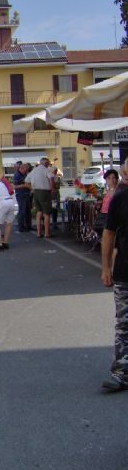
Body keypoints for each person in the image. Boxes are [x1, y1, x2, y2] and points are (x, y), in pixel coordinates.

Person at [100, 159, 128, 392]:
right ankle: (121, 372)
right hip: (125, 271)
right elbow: (108, 234)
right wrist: (106, 267)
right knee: (124, 325)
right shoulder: (119, 199)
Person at [25, 157, 55, 239]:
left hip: (36, 192)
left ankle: (38, 233)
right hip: (44, 192)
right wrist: (52, 189)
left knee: (39, 212)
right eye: (48, 163)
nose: (49, 165)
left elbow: (26, 181)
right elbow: (51, 178)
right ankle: (47, 233)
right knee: (47, 213)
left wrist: (32, 189)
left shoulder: (34, 170)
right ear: (45, 163)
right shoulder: (46, 170)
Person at [13, 162, 32, 232]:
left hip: (27, 194)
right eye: (26, 169)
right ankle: (21, 227)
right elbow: (14, 186)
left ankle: (28, 226)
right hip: (21, 195)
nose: (27, 171)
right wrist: (24, 185)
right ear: (22, 168)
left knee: (28, 211)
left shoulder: (25, 174)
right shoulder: (17, 175)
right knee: (22, 211)